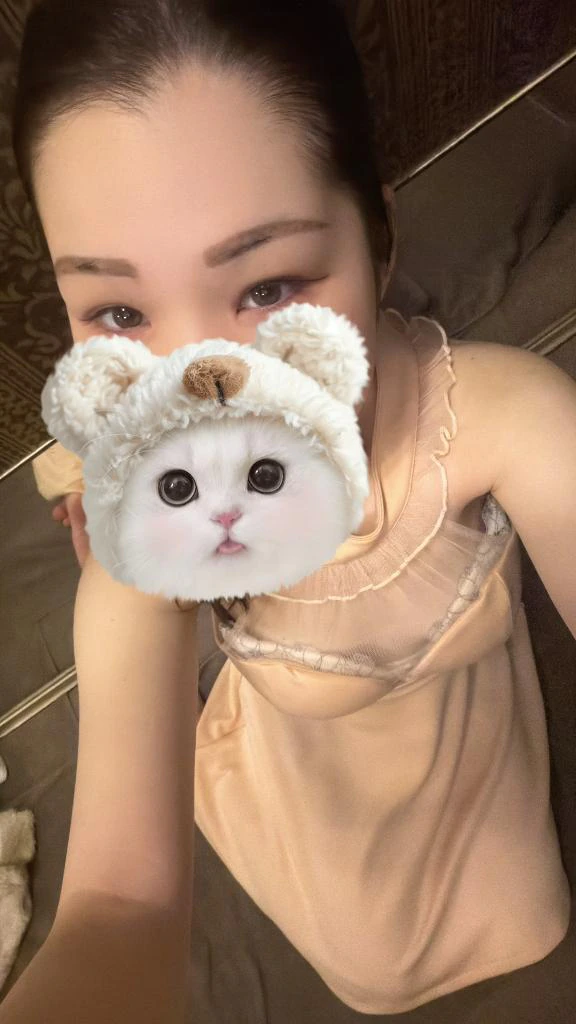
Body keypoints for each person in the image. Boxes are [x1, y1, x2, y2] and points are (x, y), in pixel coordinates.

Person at [3, 0, 576, 1020]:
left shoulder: (505, 422)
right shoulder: (147, 545)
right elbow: (119, 902)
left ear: (381, 239)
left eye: (267, 287)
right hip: (315, 807)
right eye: (122, 314)